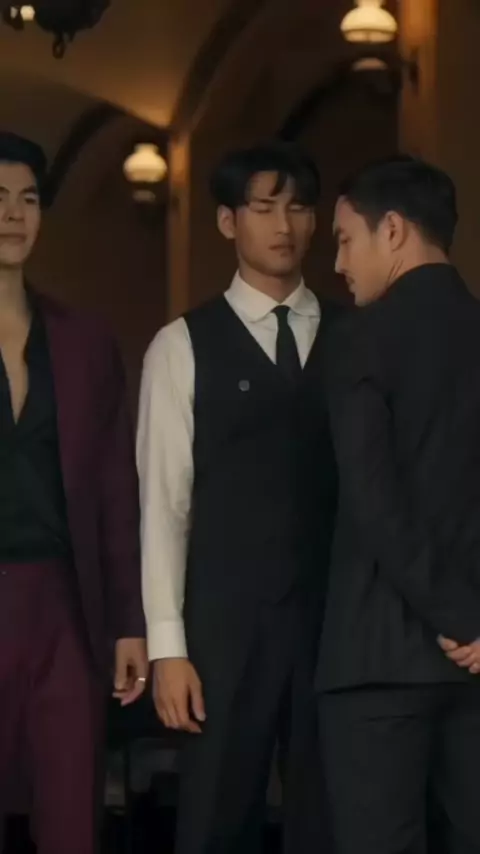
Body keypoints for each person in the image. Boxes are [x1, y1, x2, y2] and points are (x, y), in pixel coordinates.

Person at [137, 140, 338, 854]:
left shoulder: (357, 336)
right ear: (227, 221)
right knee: (215, 823)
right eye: (264, 207)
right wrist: (168, 647)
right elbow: (164, 507)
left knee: (333, 824)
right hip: (222, 632)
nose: (285, 225)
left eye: (300, 207)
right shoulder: (181, 346)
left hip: (335, 626)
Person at [318, 154, 480, 854]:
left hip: (376, 660)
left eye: (344, 239)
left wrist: (457, 617)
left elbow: (373, 499)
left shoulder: (360, 337)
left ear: (392, 230)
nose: (337, 263)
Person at [0, 131, 147, 854]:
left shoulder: (84, 341)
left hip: (65, 604)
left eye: (28, 199)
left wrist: (129, 624)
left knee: (70, 817)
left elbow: (116, 487)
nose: (13, 214)